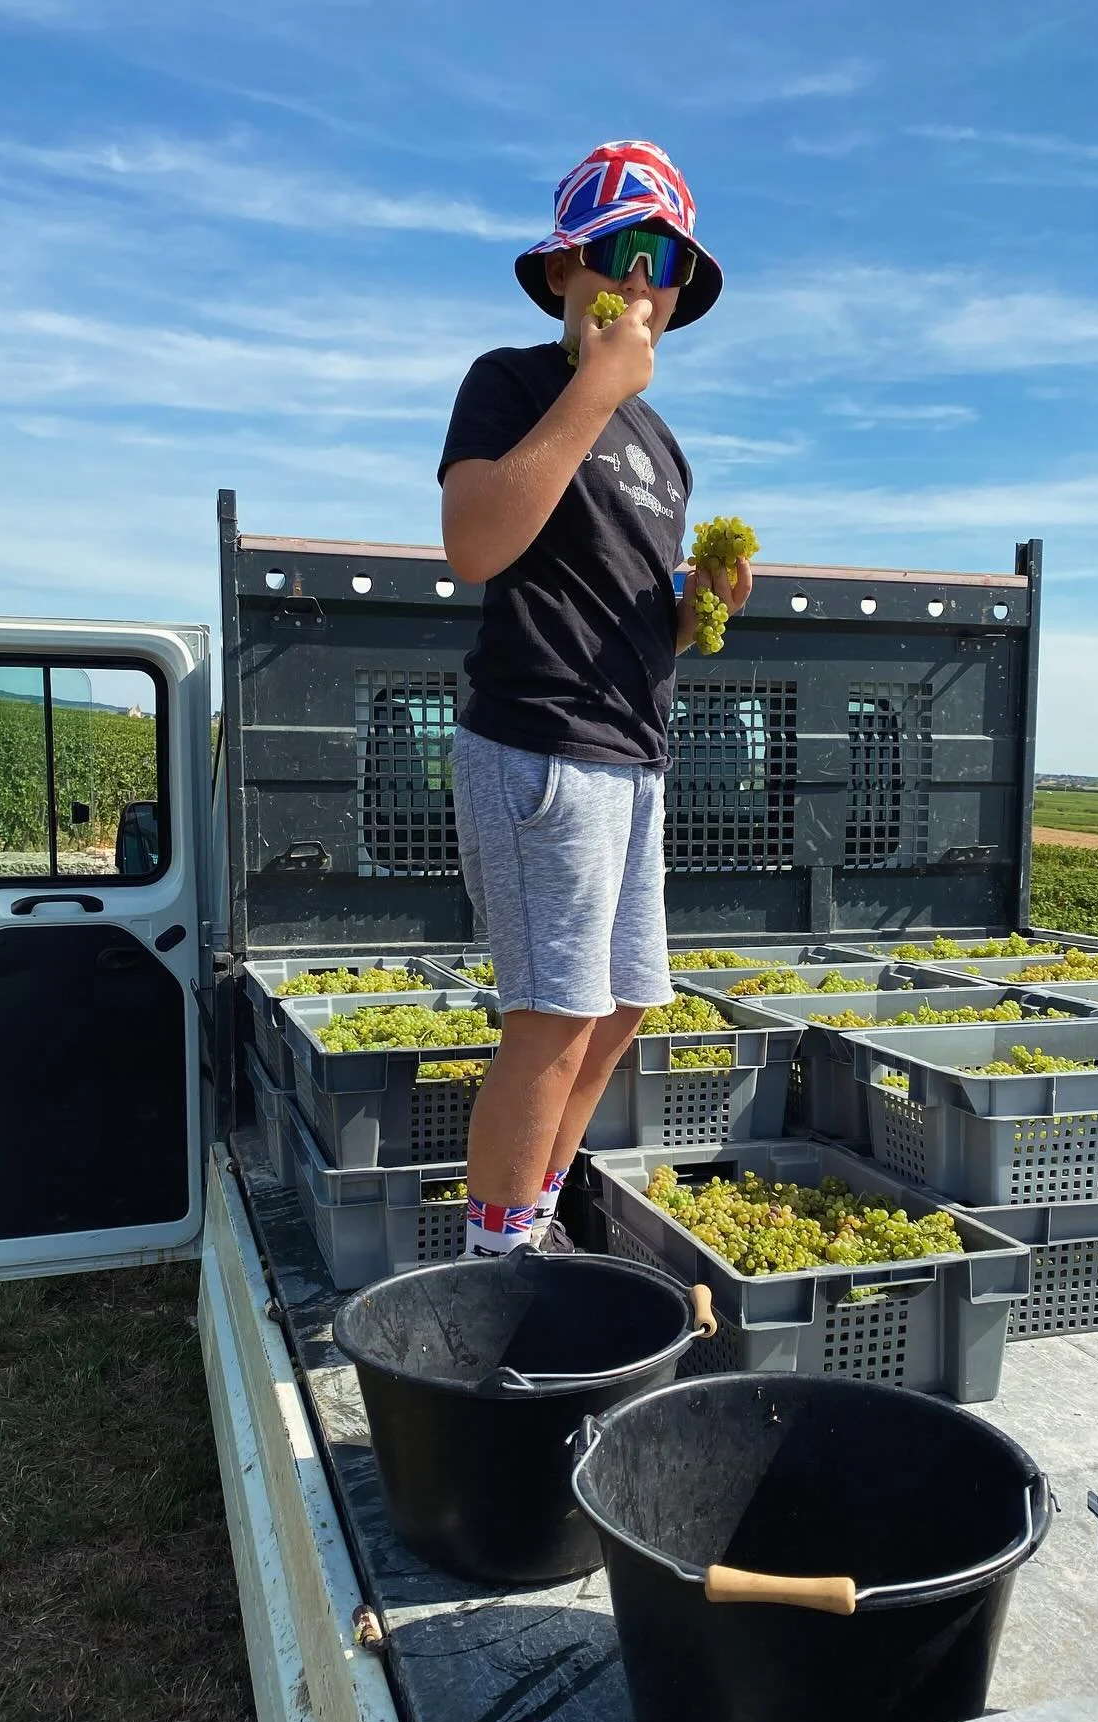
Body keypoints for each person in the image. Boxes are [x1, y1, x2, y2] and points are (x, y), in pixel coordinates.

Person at [437, 139, 753, 1257]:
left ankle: (539, 1205)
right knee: (553, 1014)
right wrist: (594, 389)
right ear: (564, 269)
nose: (647, 284)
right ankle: (495, 1258)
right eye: (626, 253)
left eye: (669, 266)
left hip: (632, 754)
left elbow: (633, 610)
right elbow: (477, 543)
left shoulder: (664, 450)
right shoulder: (515, 383)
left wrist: (700, 604)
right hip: (539, 746)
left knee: (618, 1010)